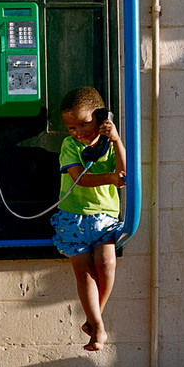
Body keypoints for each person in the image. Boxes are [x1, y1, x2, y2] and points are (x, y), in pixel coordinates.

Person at [51, 86, 126, 351]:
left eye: (84, 124)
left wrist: (116, 141)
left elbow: (125, 173)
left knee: (106, 264)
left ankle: (93, 320)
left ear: (102, 117)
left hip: (105, 219)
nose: (78, 132)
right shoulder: (70, 146)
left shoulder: (110, 144)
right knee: (84, 274)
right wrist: (109, 178)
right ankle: (99, 327)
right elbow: (78, 179)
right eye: (71, 127)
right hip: (74, 220)